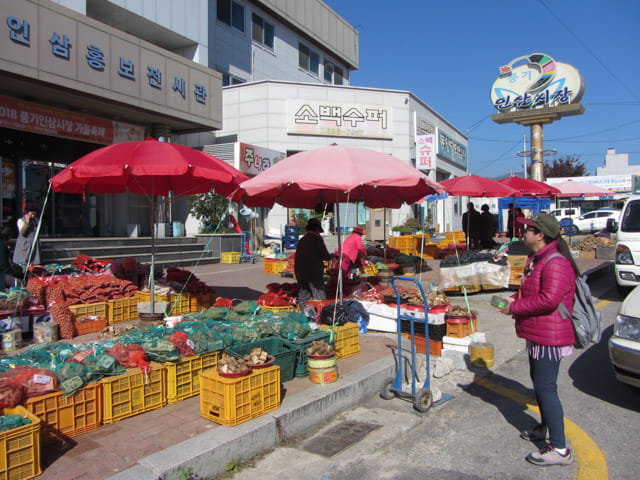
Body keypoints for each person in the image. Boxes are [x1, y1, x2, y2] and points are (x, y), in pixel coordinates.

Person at [498, 212, 578, 467]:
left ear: (540, 235)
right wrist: (515, 301)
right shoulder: (538, 258)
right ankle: (544, 429)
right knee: (539, 384)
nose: (524, 233)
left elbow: (549, 299)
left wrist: (516, 309)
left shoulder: (555, 262)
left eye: (528, 230)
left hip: (550, 336)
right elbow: (533, 292)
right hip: (538, 332)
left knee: (546, 389)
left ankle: (560, 448)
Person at [294, 218, 331, 312]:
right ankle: (321, 316)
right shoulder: (317, 239)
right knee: (319, 296)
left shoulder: (302, 240)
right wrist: (332, 256)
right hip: (313, 273)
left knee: (304, 294)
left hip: (300, 273)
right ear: (317, 229)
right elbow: (325, 256)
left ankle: (303, 315)